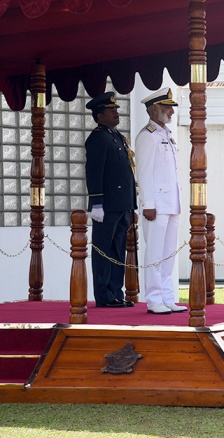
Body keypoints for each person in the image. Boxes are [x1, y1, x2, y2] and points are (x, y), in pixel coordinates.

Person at [135, 88, 187, 315]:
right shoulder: (147, 136)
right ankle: (154, 299)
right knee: (155, 254)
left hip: (171, 202)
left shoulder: (166, 134)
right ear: (154, 109)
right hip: (155, 205)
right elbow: (144, 172)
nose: (171, 112)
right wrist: (148, 204)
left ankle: (168, 297)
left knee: (168, 255)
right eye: (167, 108)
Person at [85, 92, 137, 308]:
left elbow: (126, 172)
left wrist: (131, 203)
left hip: (122, 204)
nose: (116, 113)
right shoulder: (98, 138)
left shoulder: (117, 137)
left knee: (118, 249)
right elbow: (94, 172)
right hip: (106, 205)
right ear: (100, 116)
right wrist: (96, 203)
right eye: (111, 110)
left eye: (116, 109)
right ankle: (104, 295)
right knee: (103, 250)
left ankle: (116, 292)